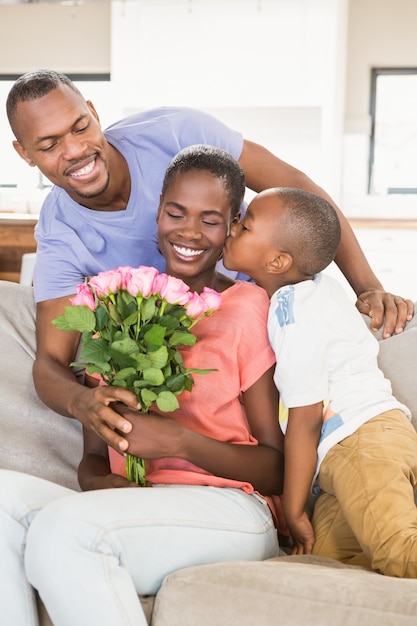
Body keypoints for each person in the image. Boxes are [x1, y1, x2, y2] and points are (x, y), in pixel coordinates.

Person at [6, 70, 413, 455]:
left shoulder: (174, 132)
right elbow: (51, 363)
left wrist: (368, 286)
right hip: (217, 358)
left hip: (283, 313)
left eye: (80, 127)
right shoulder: (60, 231)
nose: (76, 149)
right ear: (23, 153)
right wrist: (82, 402)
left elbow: (300, 194)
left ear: (94, 112)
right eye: (49, 144)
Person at [0, 145, 284, 625]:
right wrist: (99, 482)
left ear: (234, 224)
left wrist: (177, 441)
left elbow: (276, 469)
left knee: (67, 533)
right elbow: (92, 458)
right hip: (133, 506)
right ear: (157, 215)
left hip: (234, 507)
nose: (189, 231)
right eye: (175, 212)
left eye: (210, 219)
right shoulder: (114, 305)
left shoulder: (249, 307)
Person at [222, 187, 417, 577]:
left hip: (360, 443)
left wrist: (293, 509)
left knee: (400, 553)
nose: (232, 227)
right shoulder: (319, 288)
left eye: (244, 226)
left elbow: (306, 418)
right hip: (353, 454)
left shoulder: (291, 312)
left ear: (278, 261)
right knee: (325, 565)